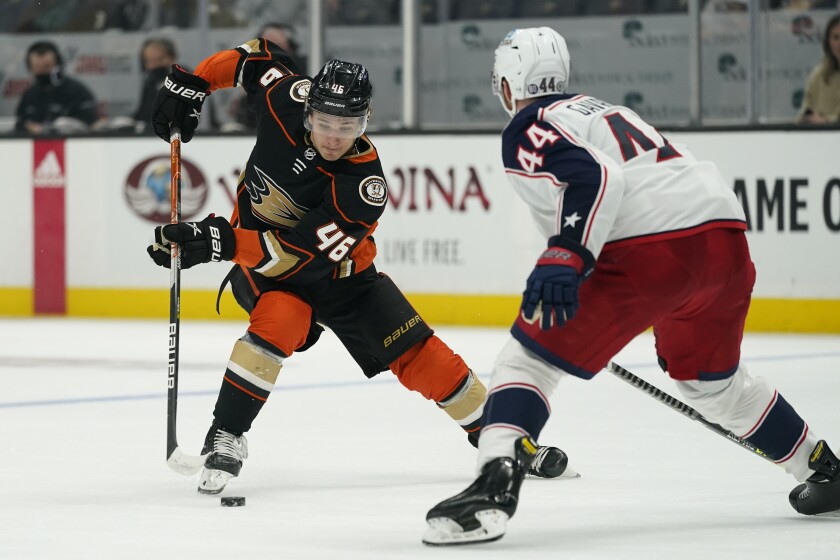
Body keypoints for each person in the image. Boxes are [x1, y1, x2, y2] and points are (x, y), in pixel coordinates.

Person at [422, 26, 840, 546]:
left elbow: (595, 181)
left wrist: (567, 255)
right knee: (712, 383)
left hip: (654, 253)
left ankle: (492, 489)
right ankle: (821, 468)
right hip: (725, 244)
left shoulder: (529, 124)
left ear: (507, 83)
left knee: (528, 360)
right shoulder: (605, 111)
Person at [145, 38, 574, 494]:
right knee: (282, 318)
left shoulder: (364, 185)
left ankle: (501, 438)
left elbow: (297, 255)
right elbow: (256, 56)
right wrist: (195, 82)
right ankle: (226, 433)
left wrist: (216, 241)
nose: (334, 136)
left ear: (365, 121)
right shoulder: (284, 99)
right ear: (308, 110)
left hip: (343, 280)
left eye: (348, 125)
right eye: (326, 122)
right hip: (269, 278)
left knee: (421, 355)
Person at [15, 40, 103, 135]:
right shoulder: (29, 95)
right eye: (36, 67)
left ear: (58, 65)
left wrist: (48, 130)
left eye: (46, 67)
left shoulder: (77, 92)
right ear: (30, 67)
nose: (41, 72)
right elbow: (20, 124)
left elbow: (90, 125)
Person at [229, 22, 305, 131]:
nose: (273, 52)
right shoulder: (249, 70)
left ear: (290, 47)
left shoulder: (303, 69)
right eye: (267, 46)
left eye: (278, 45)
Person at [797, 12, 840, 125]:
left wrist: (827, 121)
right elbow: (806, 109)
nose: (839, 43)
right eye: (835, 37)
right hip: (817, 138)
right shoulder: (818, 75)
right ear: (828, 41)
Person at [132, 37, 179, 133]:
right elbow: (143, 113)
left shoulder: (187, 80)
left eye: (159, 60)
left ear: (172, 58)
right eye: (150, 61)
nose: (154, 65)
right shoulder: (150, 82)